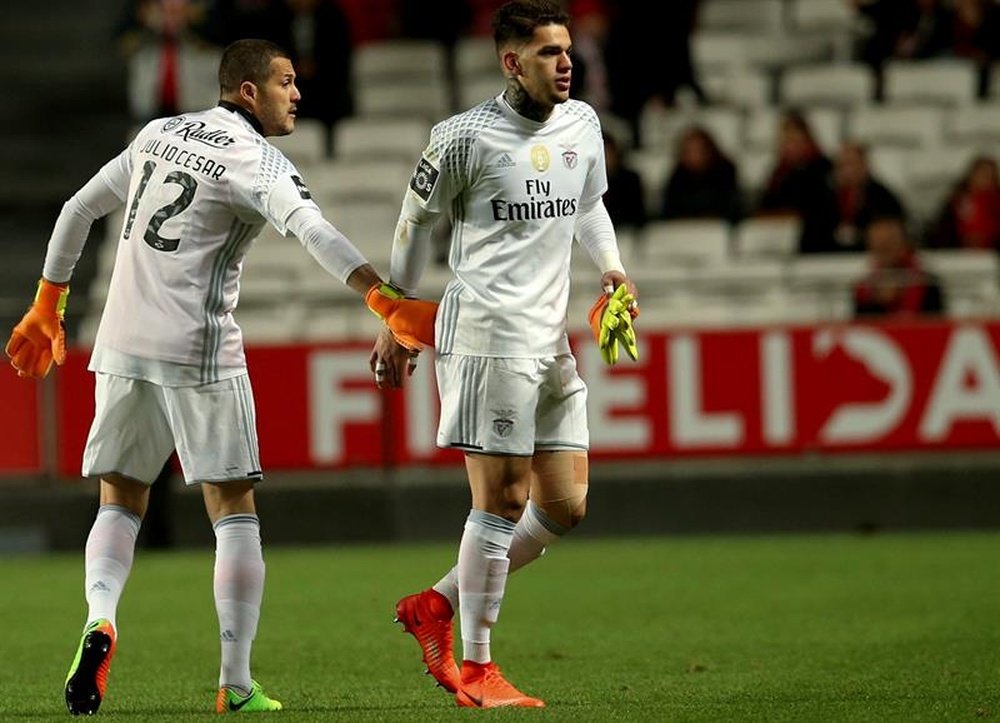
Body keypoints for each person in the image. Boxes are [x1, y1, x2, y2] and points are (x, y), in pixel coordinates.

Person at [4, 38, 430, 716]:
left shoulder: (158, 132)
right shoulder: (254, 158)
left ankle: (100, 617)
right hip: (196, 348)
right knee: (233, 511)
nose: (298, 93)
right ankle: (235, 681)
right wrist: (383, 299)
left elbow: (75, 210)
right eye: (286, 81)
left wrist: (47, 305)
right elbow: (314, 230)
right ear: (249, 91)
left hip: (118, 342)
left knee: (119, 499)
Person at [369, 0, 639, 709]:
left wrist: (610, 268)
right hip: (487, 336)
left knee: (564, 503)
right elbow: (413, 226)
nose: (565, 62)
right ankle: (479, 667)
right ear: (511, 61)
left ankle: (435, 603)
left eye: (567, 49)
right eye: (549, 52)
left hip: (549, 341)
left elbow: (587, 204)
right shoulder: (462, 139)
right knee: (501, 502)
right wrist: (397, 318)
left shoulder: (582, 124)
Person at [755, 109, 838, 255]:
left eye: (795, 140)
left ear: (807, 140)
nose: (790, 146)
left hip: (815, 240)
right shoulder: (778, 173)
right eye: (786, 140)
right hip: (780, 237)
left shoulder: (823, 168)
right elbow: (766, 205)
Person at [853, 215, 945, 317]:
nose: (884, 253)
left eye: (888, 245)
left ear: (903, 244)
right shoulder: (863, 290)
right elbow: (863, 328)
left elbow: (934, 324)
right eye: (879, 247)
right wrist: (877, 302)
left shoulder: (928, 284)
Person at [830, 141, 905, 253]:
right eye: (842, 165)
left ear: (865, 165)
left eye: (852, 164)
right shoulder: (825, 198)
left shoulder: (882, 196)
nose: (848, 171)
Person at [660, 124, 742, 224]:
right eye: (688, 151)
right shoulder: (677, 176)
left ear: (709, 150)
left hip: (717, 229)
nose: (694, 156)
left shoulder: (725, 172)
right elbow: (669, 211)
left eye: (698, 150)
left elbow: (731, 208)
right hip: (684, 231)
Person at [926, 155, 1000, 251]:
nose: (985, 180)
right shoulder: (955, 201)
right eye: (982, 174)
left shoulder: (996, 202)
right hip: (958, 255)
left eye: (990, 176)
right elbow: (942, 234)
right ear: (971, 175)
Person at [602, 131, 646, 233]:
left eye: (606, 153)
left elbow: (637, 214)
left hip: (627, 235)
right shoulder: (584, 184)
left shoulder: (630, 180)